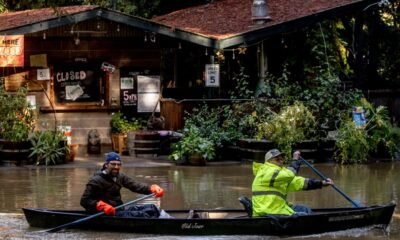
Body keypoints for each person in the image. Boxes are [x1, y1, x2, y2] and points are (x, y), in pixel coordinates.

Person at [80, 152, 165, 218]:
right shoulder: (96, 180)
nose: (116, 167)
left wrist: (152, 189)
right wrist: (100, 205)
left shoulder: (120, 176)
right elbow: (84, 201)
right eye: (113, 164)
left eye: (118, 164)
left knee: (152, 208)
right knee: (144, 215)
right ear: (106, 165)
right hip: (105, 213)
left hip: (119, 210)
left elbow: (136, 186)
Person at [252, 149, 334, 217]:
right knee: (303, 216)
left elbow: (298, 182)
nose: (281, 161)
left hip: (277, 210)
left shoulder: (279, 176)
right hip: (268, 212)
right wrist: (295, 160)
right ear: (268, 162)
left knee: (304, 209)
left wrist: (321, 183)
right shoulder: (267, 171)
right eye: (277, 159)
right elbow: (290, 174)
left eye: (281, 158)